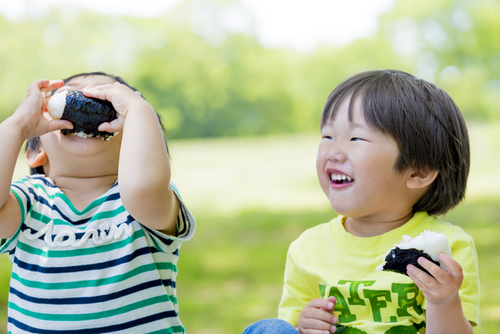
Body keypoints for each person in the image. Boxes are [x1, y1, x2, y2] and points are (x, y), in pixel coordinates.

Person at [243, 69, 479, 334]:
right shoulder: (307, 249)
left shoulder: (449, 249)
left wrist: (444, 301)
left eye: (356, 138)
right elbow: (294, 324)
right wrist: (304, 324)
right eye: (327, 136)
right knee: (270, 329)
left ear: (418, 171)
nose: (333, 152)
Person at [0, 72, 196, 333]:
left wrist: (137, 109)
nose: (88, 97)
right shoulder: (28, 202)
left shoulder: (143, 202)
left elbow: (142, 186)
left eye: (109, 100)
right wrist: (17, 125)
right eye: (73, 93)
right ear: (36, 152)